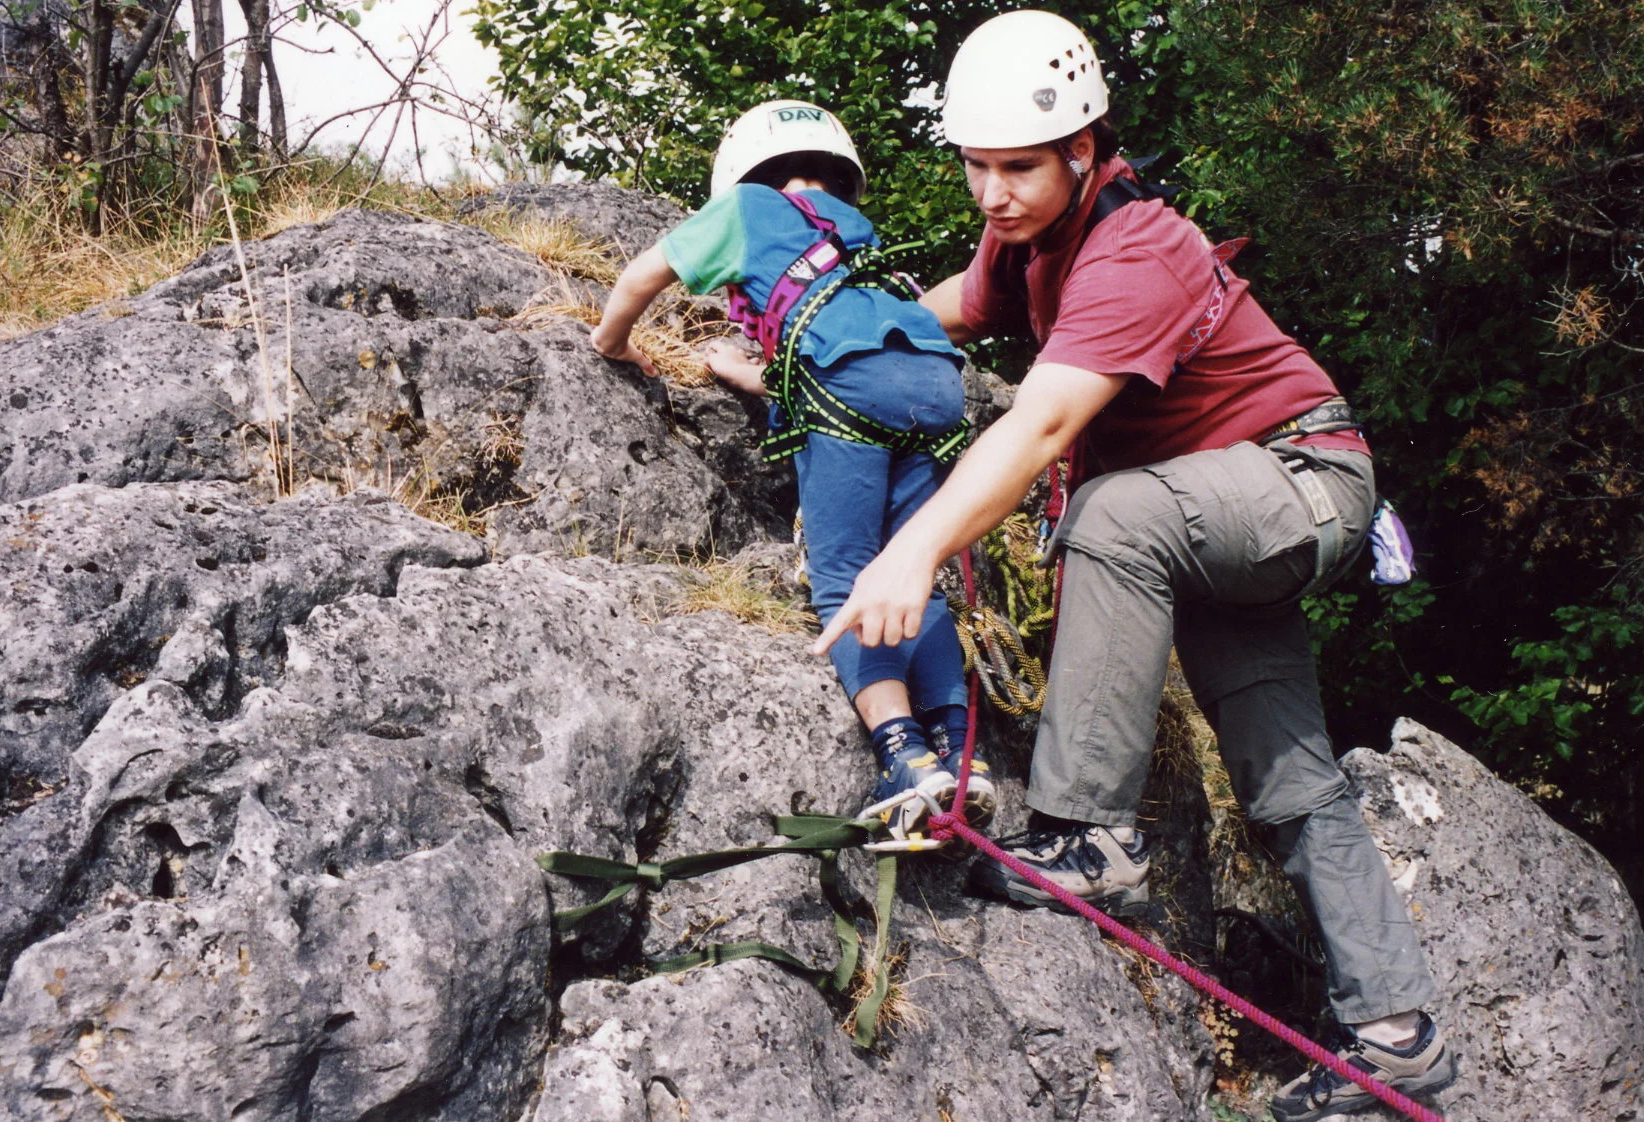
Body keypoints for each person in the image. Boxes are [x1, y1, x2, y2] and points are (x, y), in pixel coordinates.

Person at [812, 12, 1456, 1121]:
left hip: (1296, 480)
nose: (992, 194)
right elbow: (954, 312)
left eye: (1018, 167)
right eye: (975, 166)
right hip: (1208, 512)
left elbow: (1044, 427)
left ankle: (1089, 833)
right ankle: (1397, 1032)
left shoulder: (1136, 246)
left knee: (1108, 511)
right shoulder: (1028, 241)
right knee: (1287, 777)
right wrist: (818, 348)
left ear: (1084, 150)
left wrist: (911, 550)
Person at [590, 99, 995, 839]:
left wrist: (612, 341)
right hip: (934, 382)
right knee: (914, 568)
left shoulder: (746, 209)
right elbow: (836, 329)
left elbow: (641, 279)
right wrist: (755, 379)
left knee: (846, 576)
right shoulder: (849, 227)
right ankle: (961, 754)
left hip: (849, 392)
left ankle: (903, 754)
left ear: (743, 172)